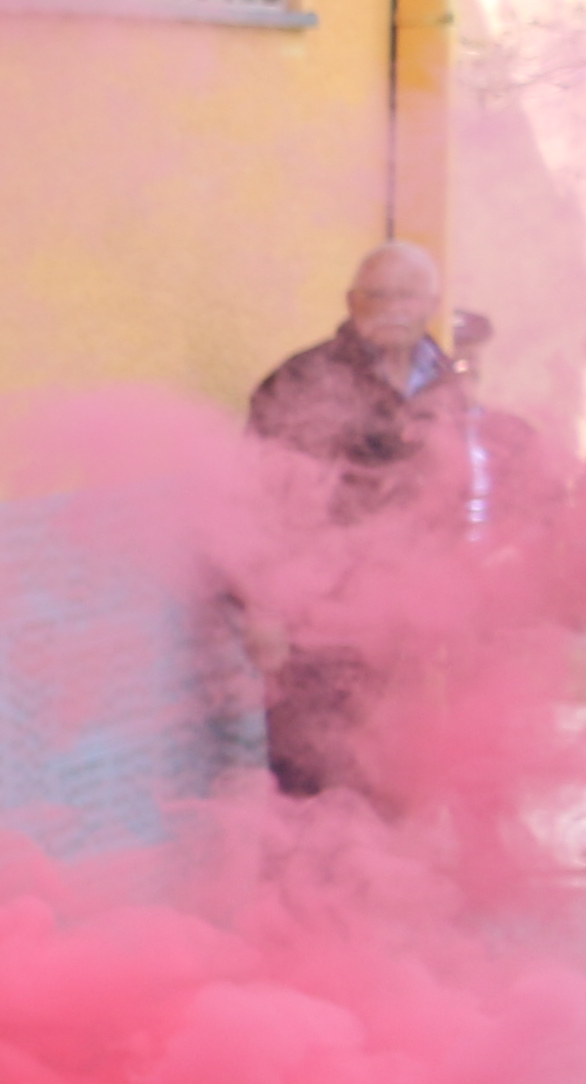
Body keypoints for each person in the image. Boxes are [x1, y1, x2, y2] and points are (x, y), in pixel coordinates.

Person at [243, 242, 574, 798]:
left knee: (397, 751)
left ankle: (384, 867)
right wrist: (265, 607)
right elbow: (259, 499)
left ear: (431, 303)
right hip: (325, 606)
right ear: (351, 301)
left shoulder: (443, 380)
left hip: (413, 610)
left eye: (408, 295)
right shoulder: (303, 380)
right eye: (378, 294)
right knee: (314, 751)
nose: (393, 307)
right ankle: (314, 872)